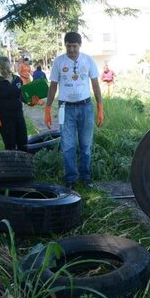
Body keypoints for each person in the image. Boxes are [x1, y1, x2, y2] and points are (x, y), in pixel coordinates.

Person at [44, 32, 104, 189]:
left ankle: (85, 177)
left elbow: (95, 84)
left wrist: (100, 107)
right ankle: (70, 179)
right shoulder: (58, 62)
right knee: (68, 146)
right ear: (65, 45)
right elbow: (53, 86)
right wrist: (48, 108)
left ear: (80, 45)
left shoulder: (88, 60)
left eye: (74, 46)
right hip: (66, 109)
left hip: (85, 107)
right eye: (68, 46)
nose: (71, 49)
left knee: (85, 146)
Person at [0, 56, 39, 151]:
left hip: (18, 115)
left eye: (7, 68)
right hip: (4, 117)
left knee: (23, 142)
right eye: (2, 69)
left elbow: (22, 96)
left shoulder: (17, 79)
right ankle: (12, 164)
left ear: (10, 66)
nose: (5, 71)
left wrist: (30, 102)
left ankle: (23, 164)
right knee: (10, 144)